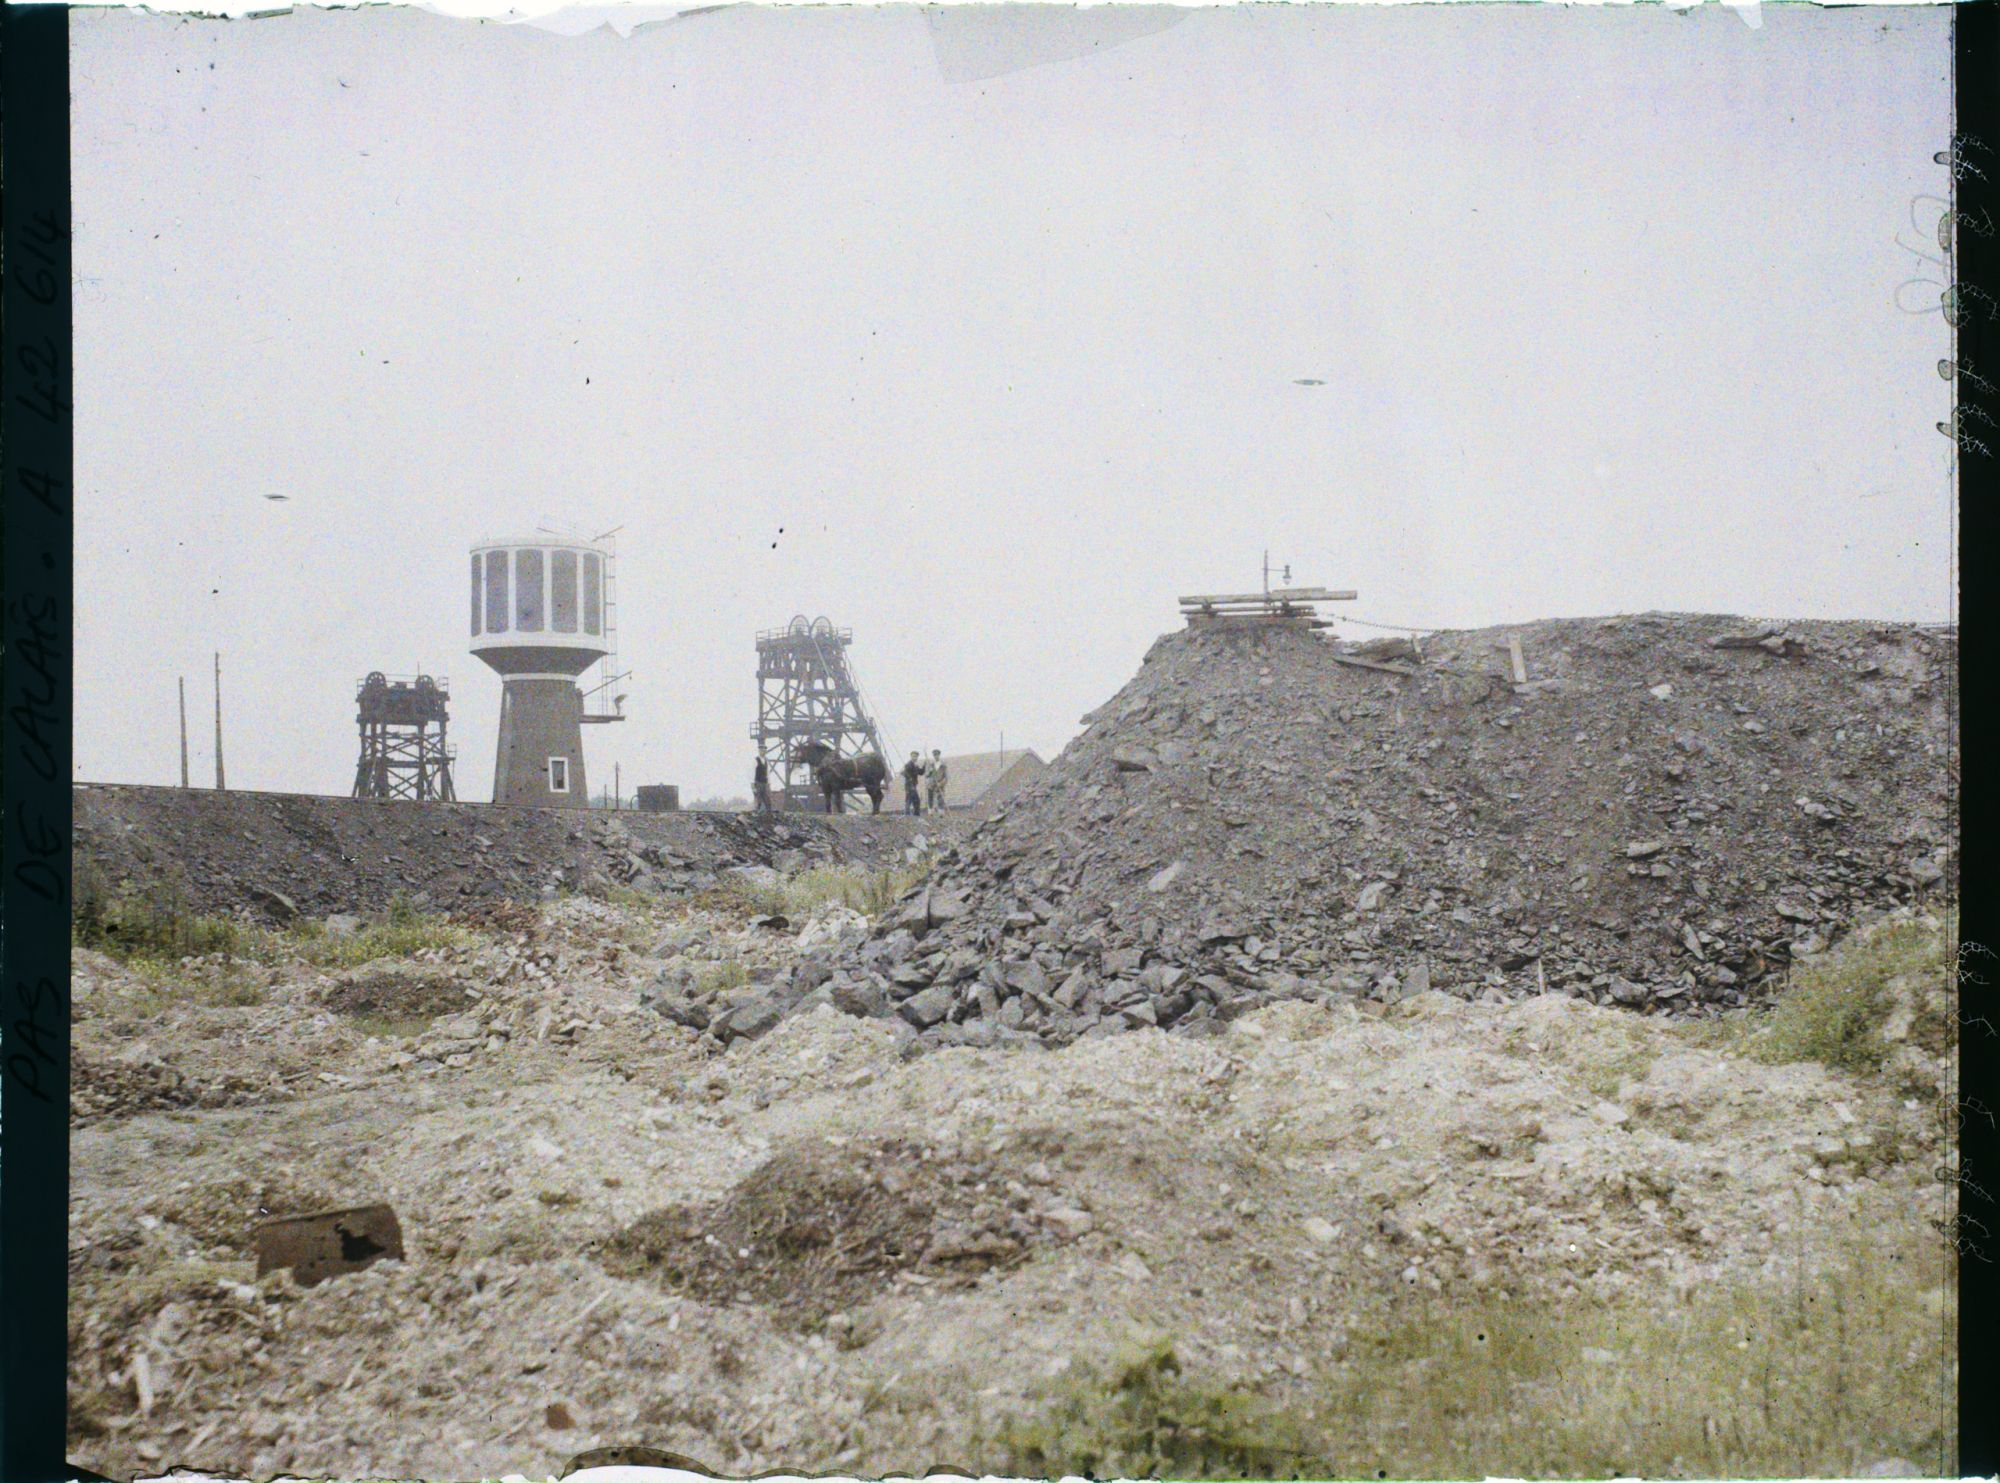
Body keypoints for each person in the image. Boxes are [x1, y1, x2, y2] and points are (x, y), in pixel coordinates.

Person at [902, 751, 924, 816]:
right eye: (914, 756)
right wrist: (909, 778)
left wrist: (924, 766)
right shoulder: (908, 764)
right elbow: (904, 773)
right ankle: (908, 814)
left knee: (915, 800)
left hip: (913, 785)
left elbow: (921, 772)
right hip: (909, 785)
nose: (915, 758)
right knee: (910, 799)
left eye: (916, 757)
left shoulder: (915, 765)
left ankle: (915, 815)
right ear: (911, 757)